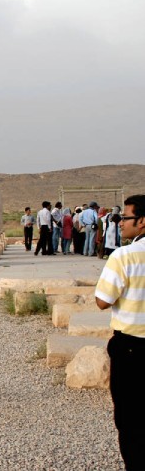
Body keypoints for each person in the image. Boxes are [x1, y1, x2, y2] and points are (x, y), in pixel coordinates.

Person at [95, 194, 145, 469]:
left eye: (125, 217)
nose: (120, 222)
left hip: (132, 349)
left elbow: (103, 301)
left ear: (142, 221)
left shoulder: (125, 256)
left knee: (131, 419)